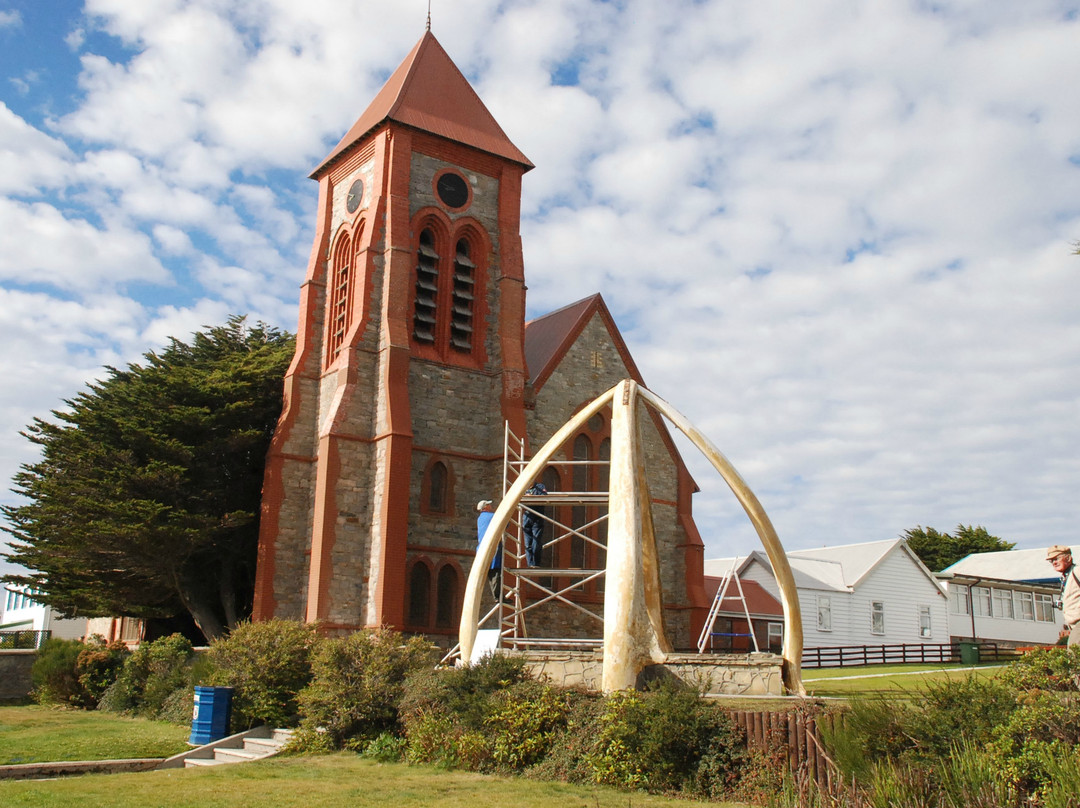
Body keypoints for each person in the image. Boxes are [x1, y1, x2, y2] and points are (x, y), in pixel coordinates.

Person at [1047, 545, 1080, 645]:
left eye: (1056, 558)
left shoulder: (1077, 571)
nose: (1054, 562)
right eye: (1051, 561)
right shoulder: (1066, 576)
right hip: (1073, 625)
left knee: (1073, 651)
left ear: (1068, 558)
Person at [477, 500, 501, 599]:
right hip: (492, 547)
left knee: (490, 572)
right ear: (485, 507)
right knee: (495, 571)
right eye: (488, 504)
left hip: (481, 549)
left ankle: (498, 596)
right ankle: (498, 596)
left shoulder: (480, 519)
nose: (490, 505)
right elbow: (505, 524)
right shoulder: (492, 516)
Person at [522, 482, 547, 567]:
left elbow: (544, 497)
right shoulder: (523, 487)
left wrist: (532, 497)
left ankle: (536, 563)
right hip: (527, 516)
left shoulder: (540, 487)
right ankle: (530, 564)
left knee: (536, 542)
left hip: (537, 516)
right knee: (527, 544)